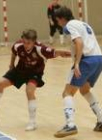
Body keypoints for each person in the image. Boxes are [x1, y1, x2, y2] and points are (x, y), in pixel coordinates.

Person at [0, 29, 71, 131]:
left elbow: (55, 52)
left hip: (35, 73)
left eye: (28, 43)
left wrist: (65, 53)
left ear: (34, 41)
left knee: (29, 91)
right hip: (20, 70)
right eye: (24, 42)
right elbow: (14, 52)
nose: (26, 45)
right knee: (0, 84)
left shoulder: (40, 49)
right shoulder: (18, 46)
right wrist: (11, 64)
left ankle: (32, 122)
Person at [54, 6, 102, 138]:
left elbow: (79, 43)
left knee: (67, 92)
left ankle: (70, 125)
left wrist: (76, 63)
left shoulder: (68, 26)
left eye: (58, 20)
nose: (57, 23)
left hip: (86, 61)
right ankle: (101, 120)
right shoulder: (82, 23)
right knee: (84, 90)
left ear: (62, 18)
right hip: (98, 58)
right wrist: (72, 54)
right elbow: (86, 43)